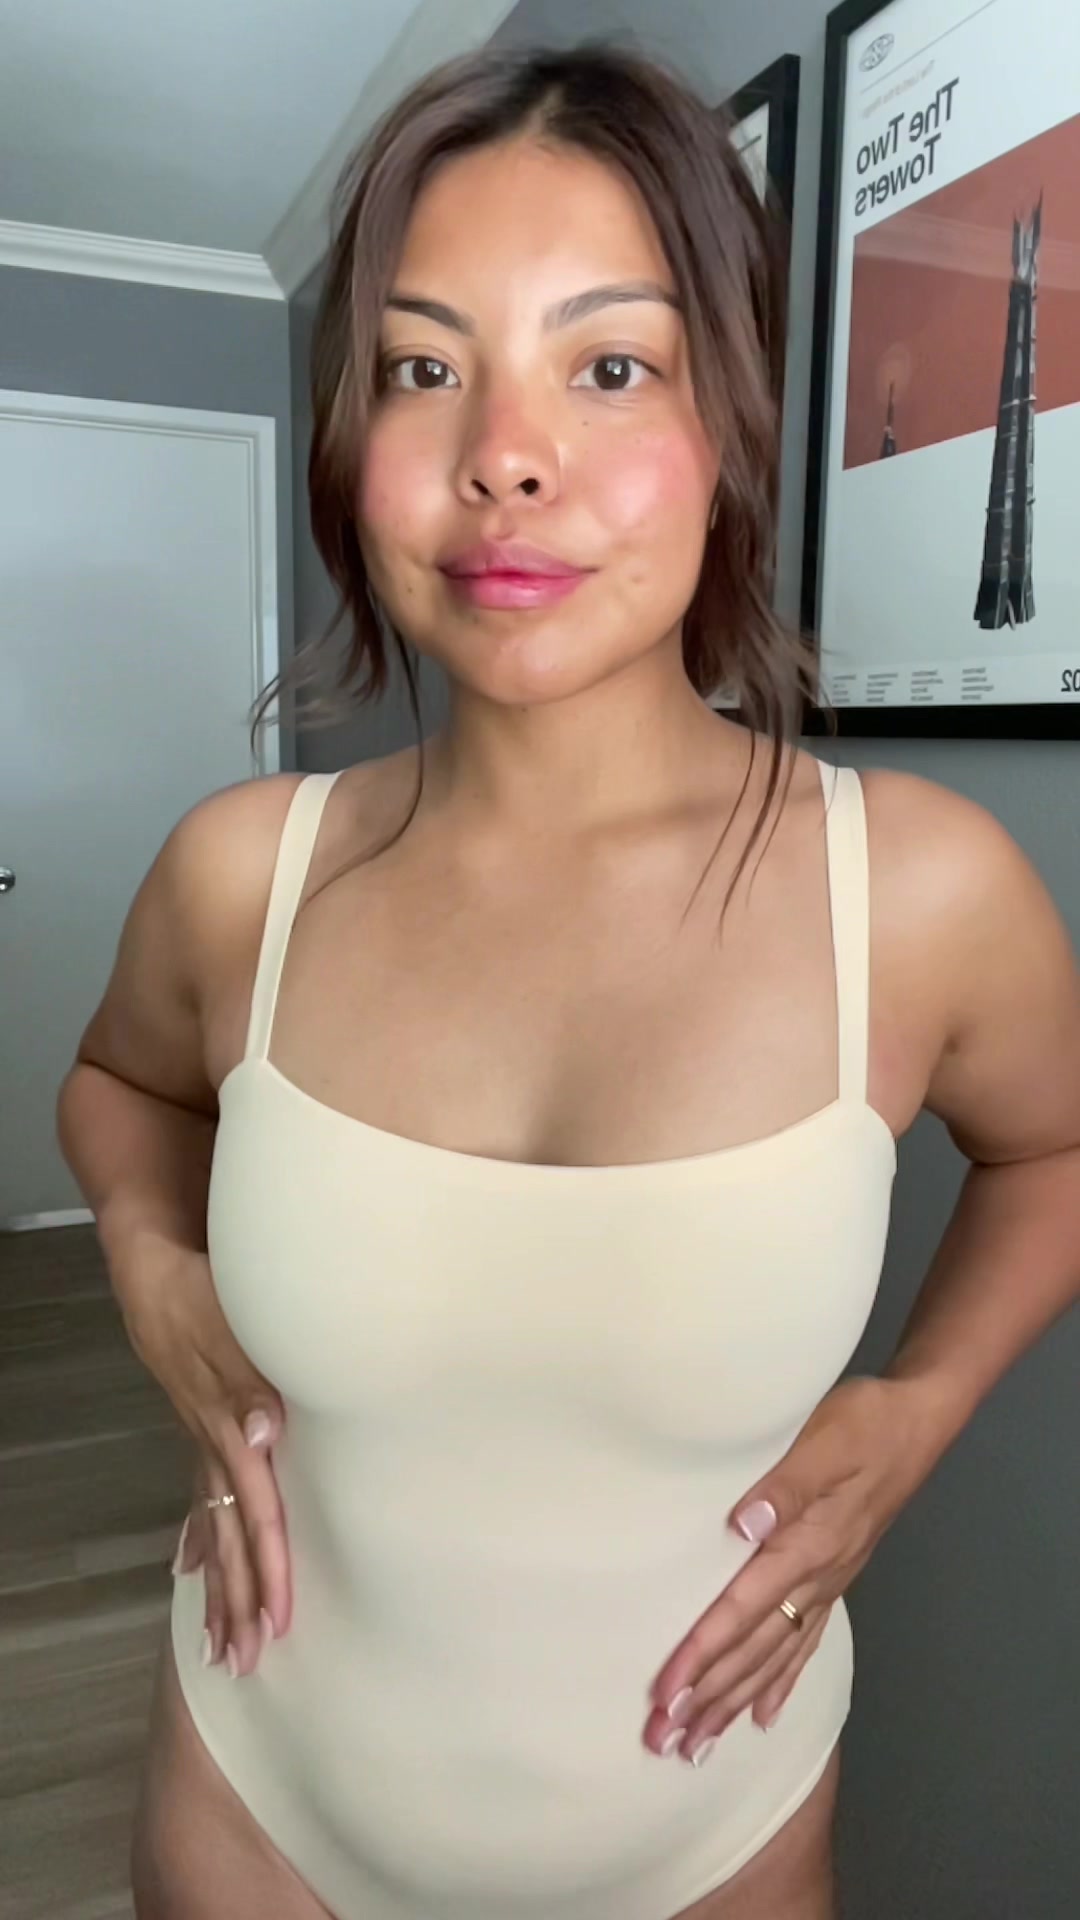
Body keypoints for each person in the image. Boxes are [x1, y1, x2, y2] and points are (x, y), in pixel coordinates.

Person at [57, 43, 1080, 1920]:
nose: (503, 456)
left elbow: (1060, 1149)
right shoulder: (242, 876)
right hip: (257, 1802)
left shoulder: (920, 892)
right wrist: (144, 1256)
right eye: (422, 368)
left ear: (731, 425)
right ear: (351, 449)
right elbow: (114, 1087)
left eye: (609, 367)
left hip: (711, 1841)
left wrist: (921, 1405)